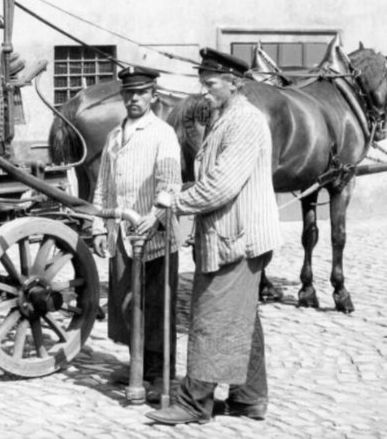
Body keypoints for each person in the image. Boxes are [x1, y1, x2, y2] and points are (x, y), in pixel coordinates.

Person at [143, 48, 283, 425]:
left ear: (235, 83)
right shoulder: (225, 117)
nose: (203, 91)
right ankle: (250, 397)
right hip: (229, 233)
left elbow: (221, 186)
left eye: (211, 84)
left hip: (238, 237)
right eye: (201, 84)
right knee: (241, 317)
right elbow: (214, 179)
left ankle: (195, 402)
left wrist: (176, 201)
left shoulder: (245, 122)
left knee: (211, 314)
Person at [93, 65, 181, 402]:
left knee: (157, 307)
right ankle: (137, 365)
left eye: (140, 93)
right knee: (127, 304)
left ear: (152, 96)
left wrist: (156, 215)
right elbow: (103, 185)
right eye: (128, 93)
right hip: (121, 237)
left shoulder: (162, 134)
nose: (133, 99)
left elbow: (170, 183)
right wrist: (99, 226)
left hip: (154, 238)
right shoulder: (115, 136)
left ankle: (161, 375)